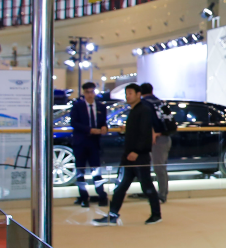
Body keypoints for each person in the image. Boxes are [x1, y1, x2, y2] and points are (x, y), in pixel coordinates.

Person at [94, 83, 161, 226]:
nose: (128, 96)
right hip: (128, 156)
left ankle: (156, 214)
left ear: (138, 94)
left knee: (146, 185)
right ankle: (112, 215)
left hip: (138, 156)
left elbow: (145, 133)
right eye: (126, 93)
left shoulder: (144, 110)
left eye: (130, 93)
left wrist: (137, 151)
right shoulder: (134, 110)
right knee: (121, 186)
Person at [69, 81, 109, 208]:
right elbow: (74, 123)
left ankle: (101, 195)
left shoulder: (101, 107)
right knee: (80, 171)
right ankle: (83, 196)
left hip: (94, 143)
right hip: (80, 142)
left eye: (92, 92)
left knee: (96, 170)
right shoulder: (77, 106)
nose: (90, 95)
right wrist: (89, 130)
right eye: (87, 92)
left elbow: (103, 122)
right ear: (84, 93)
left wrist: (104, 127)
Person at [138, 83, 172, 203]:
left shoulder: (144, 104)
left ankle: (160, 195)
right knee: (161, 168)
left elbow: (147, 121)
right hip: (165, 138)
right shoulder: (161, 103)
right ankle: (159, 192)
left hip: (155, 139)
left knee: (156, 168)